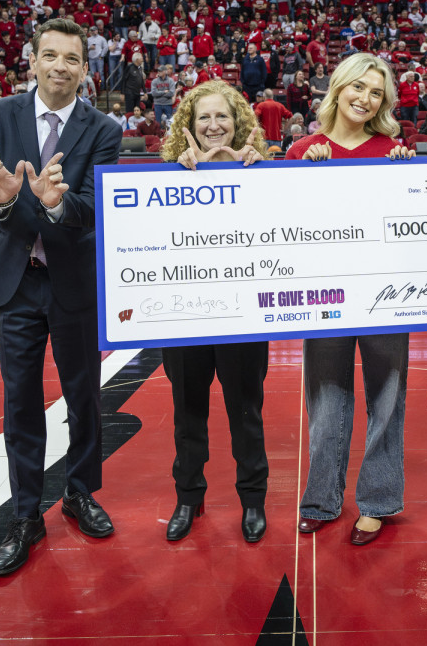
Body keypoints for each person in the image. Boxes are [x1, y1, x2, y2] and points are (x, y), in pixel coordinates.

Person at [0, 18, 122, 576]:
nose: (61, 66)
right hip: (16, 281)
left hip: (74, 281)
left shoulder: (103, 128)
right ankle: (25, 514)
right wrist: (8, 202)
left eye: (72, 59)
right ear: (31, 61)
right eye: (50, 56)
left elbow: (94, 207)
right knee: (21, 402)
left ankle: (80, 492)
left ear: (86, 69)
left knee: (83, 395)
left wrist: (56, 205)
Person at [286, 52, 414, 546]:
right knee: (325, 400)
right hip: (325, 295)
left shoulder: (393, 150)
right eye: (357, 88)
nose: (365, 98)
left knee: (387, 398)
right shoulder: (302, 150)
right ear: (337, 88)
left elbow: (411, 225)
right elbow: (284, 225)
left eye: (376, 92)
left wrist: (409, 174)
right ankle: (321, 499)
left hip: (384, 295)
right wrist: (305, 177)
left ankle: (378, 501)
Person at [157, 80, 271, 543]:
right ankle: (188, 497)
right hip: (185, 317)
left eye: (221, 116)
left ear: (238, 121)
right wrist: (187, 178)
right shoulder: (166, 176)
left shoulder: (260, 171)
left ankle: (252, 500)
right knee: (187, 413)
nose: (213, 125)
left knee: (246, 412)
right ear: (188, 126)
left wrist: (259, 179)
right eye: (203, 117)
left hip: (243, 315)